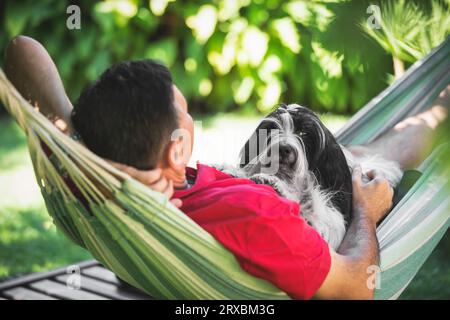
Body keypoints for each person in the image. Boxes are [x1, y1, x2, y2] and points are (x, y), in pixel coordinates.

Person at [7, 37, 449, 299]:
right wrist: (367, 210)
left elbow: (20, 50)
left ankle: (436, 112)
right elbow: (356, 287)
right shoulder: (260, 216)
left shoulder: (90, 178)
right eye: (183, 112)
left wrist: (74, 134)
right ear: (174, 153)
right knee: (376, 158)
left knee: (368, 146)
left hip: (167, 193)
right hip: (327, 206)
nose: (190, 117)